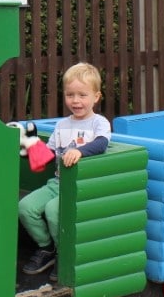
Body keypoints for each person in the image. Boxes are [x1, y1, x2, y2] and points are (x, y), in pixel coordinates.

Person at [18, 62, 111, 279]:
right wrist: (29, 143)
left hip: (80, 186)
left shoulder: (99, 123)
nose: (76, 101)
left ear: (96, 97)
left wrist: (81, 151)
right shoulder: (62, 126)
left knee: (53, 210)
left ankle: (65, 253)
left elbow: (102, 144)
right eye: (70, 95)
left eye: (82, 95)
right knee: (25, 207)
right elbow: (49, 154)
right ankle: (46, 248)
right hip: (57, 183)